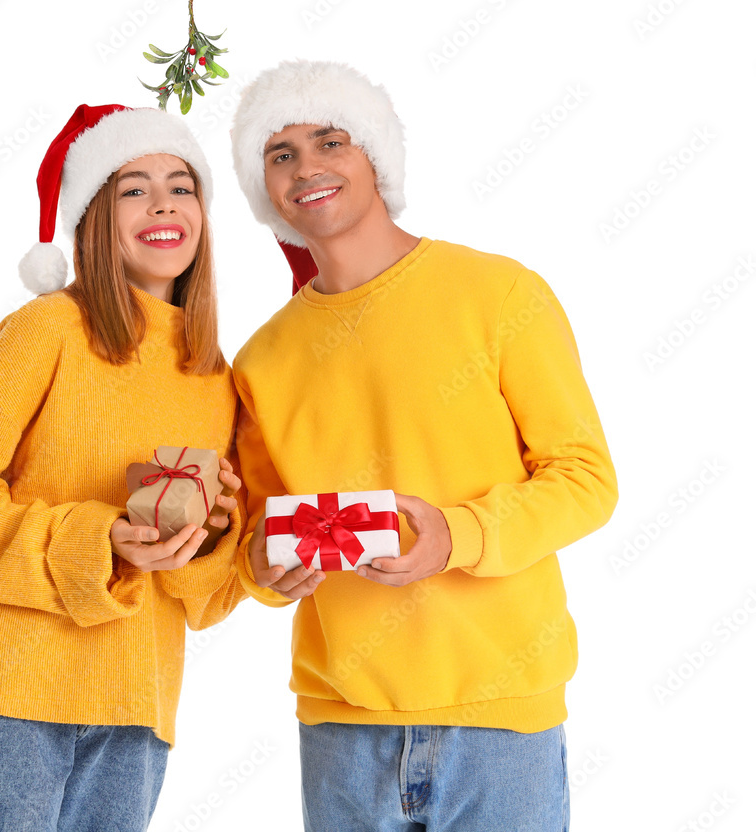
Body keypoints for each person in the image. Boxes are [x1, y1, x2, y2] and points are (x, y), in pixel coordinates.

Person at [229, 60, 618, 831]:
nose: (307, 168)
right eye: (281, 155)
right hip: (340, 724)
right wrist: (268, 569)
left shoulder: (499, 294)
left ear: (375, 156)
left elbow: (585, 479)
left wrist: (457, 535)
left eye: (330, 141)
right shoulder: (262, 359)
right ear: (263, 188)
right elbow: (255, 533)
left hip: (501, 717)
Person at [0, 103, 246, 832]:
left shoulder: (215, 377)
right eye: (133, 189)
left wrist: (210, 534)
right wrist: (98, 538)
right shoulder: (46, 330)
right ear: (92, 218)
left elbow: (201, 595)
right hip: (4, 695)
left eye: (182, 185)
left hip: (135, 708)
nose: (164, 203)